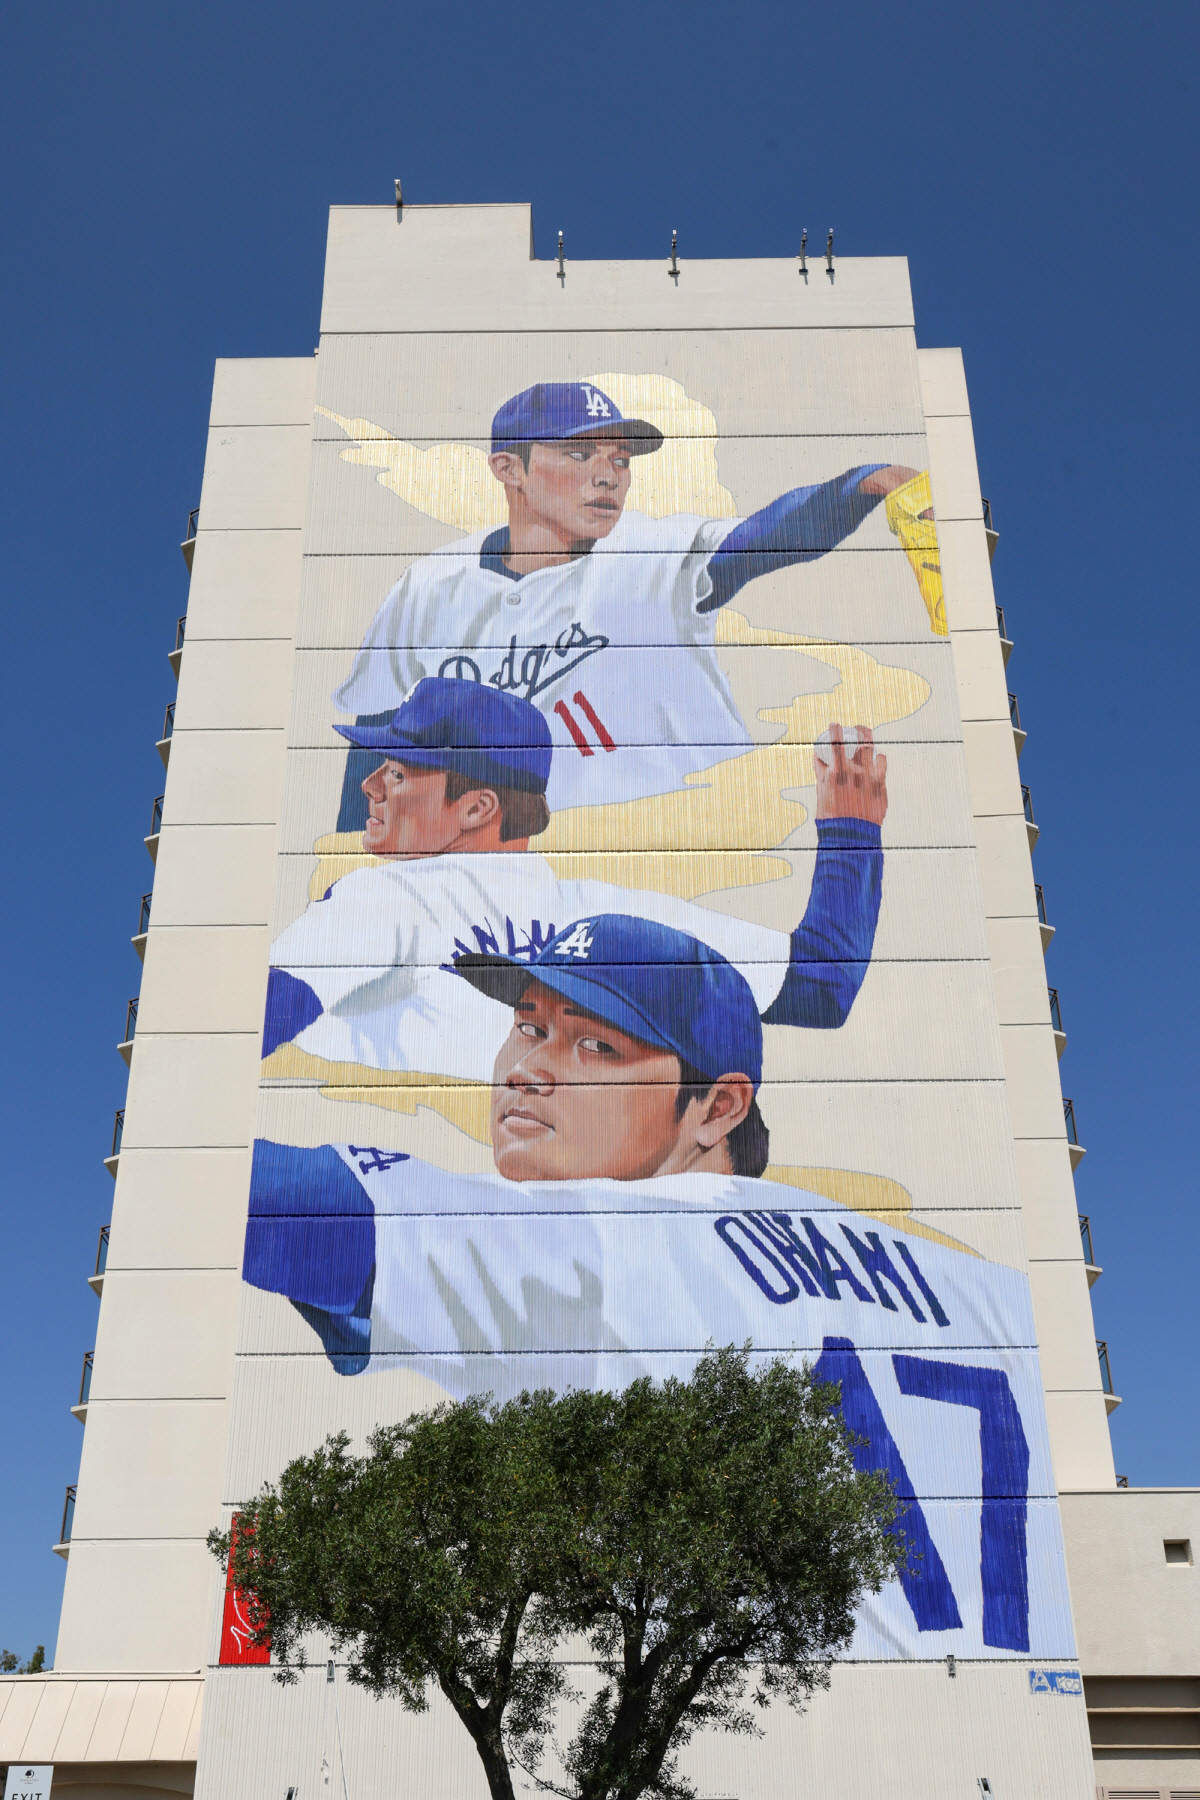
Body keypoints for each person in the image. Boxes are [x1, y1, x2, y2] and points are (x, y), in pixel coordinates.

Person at [244, 914, 1039, 1658]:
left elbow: (269, 1200)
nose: (528, 1070)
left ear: (717, 1109)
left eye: (596, 1047)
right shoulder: (989, 1294)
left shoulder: (616, 1240)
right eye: (530, 1025)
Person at [329, 380, 930, 817]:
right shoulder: (428, 587)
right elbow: (378, 752)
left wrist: (865, 484)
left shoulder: (655, 551)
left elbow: (770, 536)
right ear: (508, 469)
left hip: (705, 844)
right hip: (537, 879)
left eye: (618, 458)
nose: (608, 473)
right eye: (577, 452)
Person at [264, 679, 889, 1082]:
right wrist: (850, 838)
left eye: (398, 774)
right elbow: (821, 988)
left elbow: (249, 1025)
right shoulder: (602, 917)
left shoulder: (386, 898)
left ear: (478, 808)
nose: (371, 786)